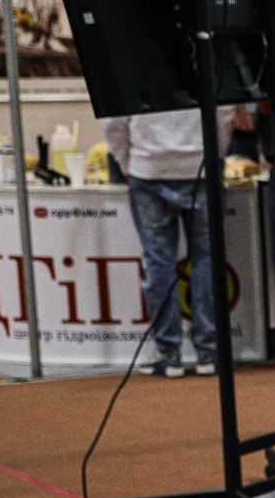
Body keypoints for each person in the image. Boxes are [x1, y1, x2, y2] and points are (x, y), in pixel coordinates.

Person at [99, 107, 234, 377]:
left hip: (148, 168)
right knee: (208, 259)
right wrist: (215, 154)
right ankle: (209, 352)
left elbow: (112, 119)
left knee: (159, 262)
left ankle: (168, 353)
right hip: (201, 165)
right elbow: (223, 111)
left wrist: (127, 162)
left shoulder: (130, 72)